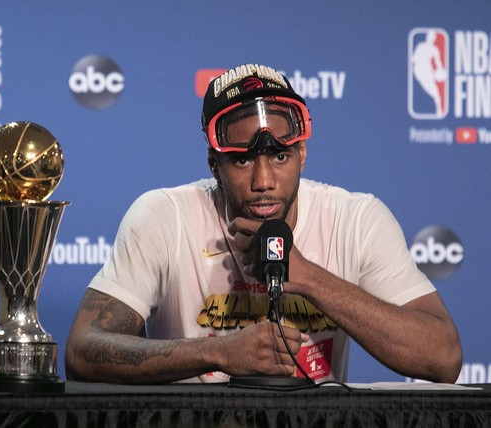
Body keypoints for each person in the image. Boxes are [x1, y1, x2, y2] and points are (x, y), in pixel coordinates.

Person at [65, 63, 462, 384]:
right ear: (213, 165)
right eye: (241, 160)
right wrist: (218, 353)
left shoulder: (356, 220)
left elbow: (443, 359)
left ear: (302, 154)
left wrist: (306, 276)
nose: (264, 181)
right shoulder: (165, 216)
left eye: (280, 157)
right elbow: (84, 350)